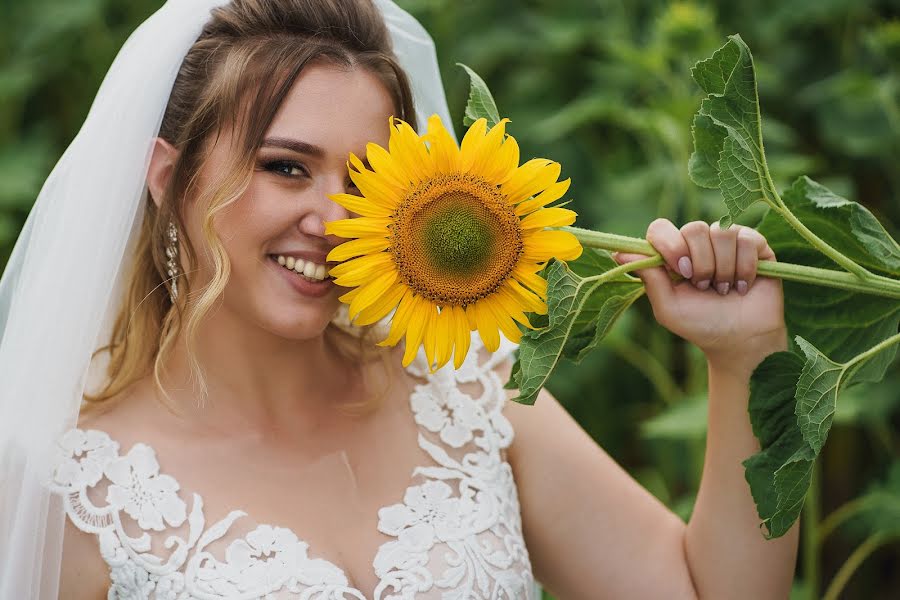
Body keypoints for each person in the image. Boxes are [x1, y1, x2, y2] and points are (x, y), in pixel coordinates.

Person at [0, 0, 799, 598]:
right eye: (286, 167)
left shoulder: (468, 387)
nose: (336, 222)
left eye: (368, 181)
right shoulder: (73, 493)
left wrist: (742, 361)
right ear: (169, 178)